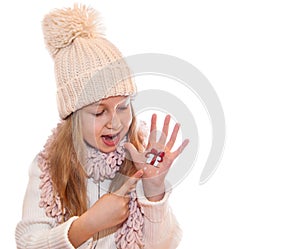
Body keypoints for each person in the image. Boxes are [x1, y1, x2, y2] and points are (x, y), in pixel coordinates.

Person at [15, 4, 189, 249]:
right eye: (99, 111)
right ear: (73, 117)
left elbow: (163, 245)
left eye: (123, 106)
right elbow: (27, 244)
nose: (115, 123)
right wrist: (87, 225)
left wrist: (154, 191)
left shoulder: (139, 157)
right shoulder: (47, 168)